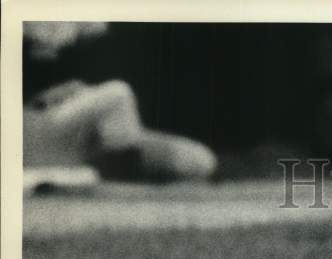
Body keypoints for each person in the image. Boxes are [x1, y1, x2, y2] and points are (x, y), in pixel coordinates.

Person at [23, 22, 217, 184]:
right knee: (117, 94)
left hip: (94, 127)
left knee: (199, 159)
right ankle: (119, 193)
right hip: (32, 126)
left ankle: (86, 178)